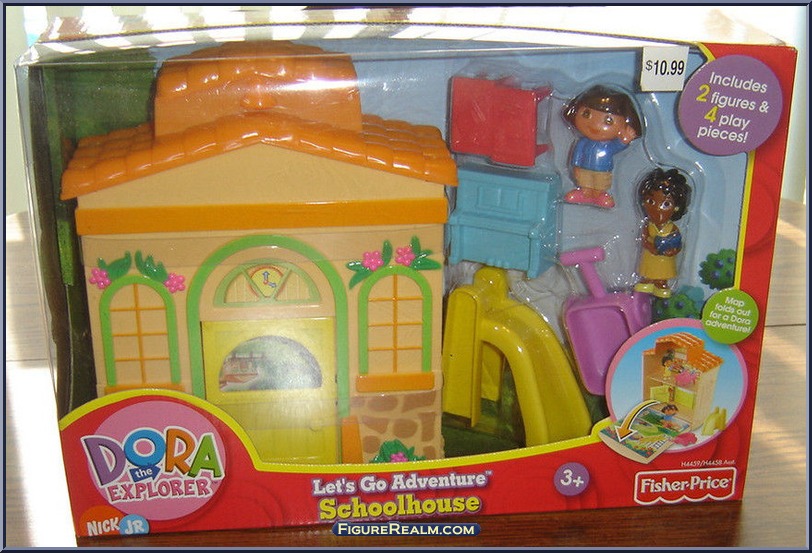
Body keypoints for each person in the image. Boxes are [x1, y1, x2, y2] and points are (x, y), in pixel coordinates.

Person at [562, 85, 642, 208]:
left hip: (602, 169)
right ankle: (584, 193)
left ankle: (599, 195)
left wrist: (624, 140)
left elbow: (615, 147)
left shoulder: (608, 145)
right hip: (584, 168)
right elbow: (577, 154)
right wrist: (576, 166)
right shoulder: (583, 142)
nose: (595, 124)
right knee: (584, 181)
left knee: (600, 183)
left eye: (608, 121)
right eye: (586, 114)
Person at [634, 168, 692, 298]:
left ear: (676, 207)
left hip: (664, 258)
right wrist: (650, 246)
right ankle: (648, 280)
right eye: (651, 202)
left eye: (666, 204)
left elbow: (678, 243)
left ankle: (661, 283)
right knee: (648, 270)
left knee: (663, 271)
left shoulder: (672, 228)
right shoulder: (648, 225)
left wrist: (673, 250)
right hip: (650, 255)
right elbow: (644, 238)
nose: (657, 209)